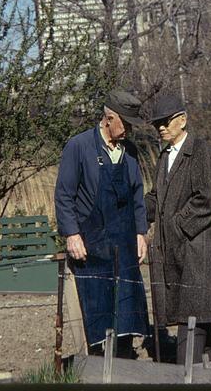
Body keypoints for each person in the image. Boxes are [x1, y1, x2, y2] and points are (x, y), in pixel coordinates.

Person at [54, 88, 149, 358]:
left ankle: (125, 363)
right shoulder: (79, 146)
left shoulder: (129, 151)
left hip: (124, 245)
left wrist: (141, 233)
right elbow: (64, 195)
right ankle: (97, 366)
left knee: (126, 313)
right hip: (92, 246)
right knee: (97, 314)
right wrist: (71, 234)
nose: (129, 129)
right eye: (126, 123)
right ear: (108, 118)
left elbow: (137, 194)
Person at [144, 94, 211, 365]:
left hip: (196, 250)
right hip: (176, 249)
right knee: (197, 314)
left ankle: (186, 376)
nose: (160, 127)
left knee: (191, 316)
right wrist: (135, 210)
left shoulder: (201, 150)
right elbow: (157, 197)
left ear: (182, 120)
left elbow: (207, 198)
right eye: (156, 124)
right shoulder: (165, 156)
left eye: (165, 121)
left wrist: (176, 226)